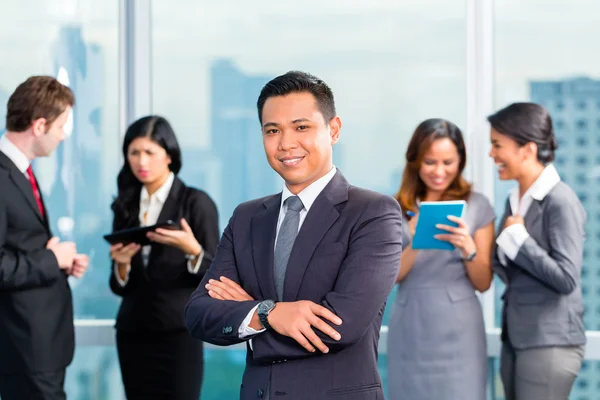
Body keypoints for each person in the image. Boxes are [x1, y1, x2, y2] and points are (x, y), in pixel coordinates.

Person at [184, 71, 403, 399]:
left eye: (301, 127)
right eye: (273, 130)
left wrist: (250, 314)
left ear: (334, 130)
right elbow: (199, 314)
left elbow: (340, 327)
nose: (286, 143)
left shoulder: (373, 213)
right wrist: (269, 312)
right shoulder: (247, 218)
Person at [108, 116, 219, 400]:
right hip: (132, 333)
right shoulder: (125, 205)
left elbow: (217, 276)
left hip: (178, 333)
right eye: (134, 153)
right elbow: (119, 286)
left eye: (149, 152)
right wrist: (121, 264)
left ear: (169, 155)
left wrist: (192, 250)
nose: (141, 162)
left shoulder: (196, 202)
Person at [386, 118, 495, 400]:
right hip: (410, 326)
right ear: (415, 161)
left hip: (460, 332)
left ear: (461, 161)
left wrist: (468, 249)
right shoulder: (394, 209)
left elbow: (483, 282)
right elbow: (390, 277)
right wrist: (418, 239)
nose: (439, 171)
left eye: (448, 162)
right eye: (430, 162)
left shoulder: (477, 205)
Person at [488, 102, 586, 400]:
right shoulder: (515, 199)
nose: (492, 154)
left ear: (527, 150)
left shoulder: (560, 200)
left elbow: (566, 278)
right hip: (517, 337)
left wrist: (518, 237)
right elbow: (509, 270)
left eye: (497, 145)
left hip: (550, 342)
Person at [0, 75, 89, 400]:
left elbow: (17, 244)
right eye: (61, 126)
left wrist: (57, 260)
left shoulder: (21, 171)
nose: (64, 136)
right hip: (25, 345)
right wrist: (52, 259)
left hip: (39, 345)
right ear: (39, 126)